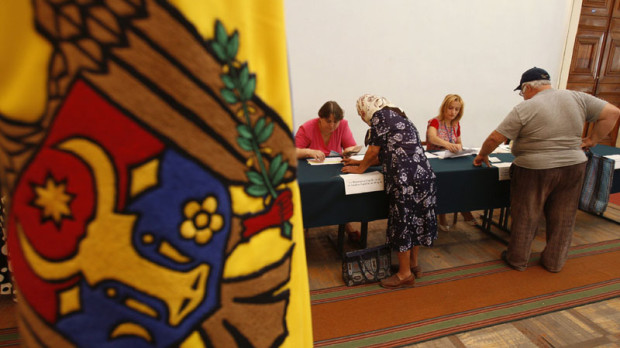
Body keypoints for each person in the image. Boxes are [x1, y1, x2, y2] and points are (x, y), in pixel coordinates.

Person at [473, 67, 620, 273]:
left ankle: (517, 259)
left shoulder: (526, 107)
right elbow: (613, 112)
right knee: (564, 216)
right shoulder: (577, 97)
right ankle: (554, 262)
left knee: (526, 213)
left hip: (535, 169)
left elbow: (495, 138)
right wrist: (591, 140)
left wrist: (482, 155)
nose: (522, 96)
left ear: (527, 87)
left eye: (521, 92)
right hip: (573, 166)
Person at [342, 94, 437, 288]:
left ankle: (404, 275)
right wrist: (359, 161)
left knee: (402, 221)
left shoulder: (379, 116)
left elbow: (374, 151)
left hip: (405, 179)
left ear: (366, 109)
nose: (363, 118)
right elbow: (388, 154)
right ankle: (413, 265)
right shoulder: (401, 118)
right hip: (424, 175)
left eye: (361, 114)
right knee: (416, 219)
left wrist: (359, 169)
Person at [295, 101, 362, 240]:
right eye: (328, 121)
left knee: (343, 187)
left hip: (333, 167)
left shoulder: (343, 125)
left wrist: (350, 151)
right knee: (307, 190)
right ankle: (303, 224)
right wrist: (309, 151)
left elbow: (351, 146)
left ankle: (346, 223)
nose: (332, 125)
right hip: (310, 169)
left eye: (335, 122)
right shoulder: (307, 127)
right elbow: (292, 152)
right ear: (320, 118)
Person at [426, 94, 476, 230]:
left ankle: (463, 207)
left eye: (456, 109)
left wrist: (459, 147)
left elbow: (459, 141)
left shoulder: (456, 124)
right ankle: (442, 213)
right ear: (444, 107)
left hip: (451, 159)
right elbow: (431, 137)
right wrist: (447, 144)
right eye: (450, 108)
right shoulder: (435, 121)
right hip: (436, 160)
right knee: (444, 182)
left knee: (463, 178)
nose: (453, 112)